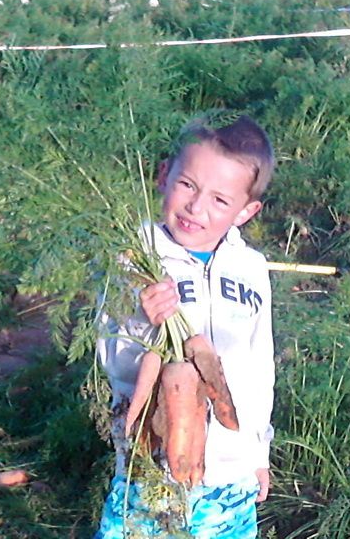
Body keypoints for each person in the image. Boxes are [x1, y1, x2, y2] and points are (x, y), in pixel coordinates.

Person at [95, 114, 276, 538]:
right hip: (152, 465)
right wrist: (144, 323)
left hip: (230, 472)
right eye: (188, 185)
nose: (197, 208)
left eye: (219, 200)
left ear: (246, 211)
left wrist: (258, 453)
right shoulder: (134, 259)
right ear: (163, 176)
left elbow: (260, 367)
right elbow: (112, 359)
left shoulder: (251, 268)